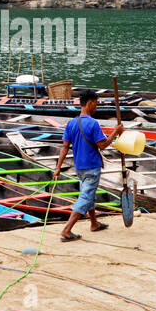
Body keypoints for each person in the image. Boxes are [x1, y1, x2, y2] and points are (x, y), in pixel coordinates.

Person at [52, 90, 123, 241]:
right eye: (96, 104)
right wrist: (115, 132)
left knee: (88, 193)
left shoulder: (71, 123)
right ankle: (67, 230)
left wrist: (58, 167)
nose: (96, 107)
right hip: (91, 166)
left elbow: (64, 147)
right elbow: (102, 145)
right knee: (86, 197)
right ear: (90, 103)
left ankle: (94, 223)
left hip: (79, 167)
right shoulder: (93, 123)